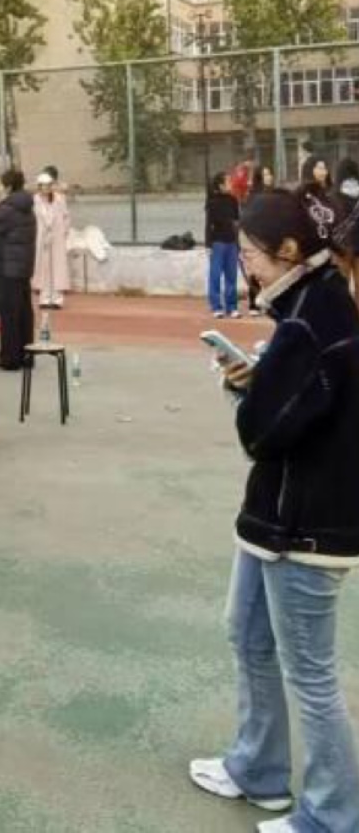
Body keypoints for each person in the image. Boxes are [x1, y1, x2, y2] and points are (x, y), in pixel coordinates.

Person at [188, 187, 359, 830]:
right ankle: (257, 768)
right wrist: (259, 382)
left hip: (306, 526)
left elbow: (262, 433)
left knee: (310, 674)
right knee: (248, 634)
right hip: (280, 516)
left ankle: (332, 814)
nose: (246, 266)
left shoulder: (314, 320)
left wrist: (248, 392)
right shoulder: (313, 309)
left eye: (251, 253)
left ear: (290, 250)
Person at [0, 169, 38, 369]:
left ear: (8, 187)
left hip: (8, 267)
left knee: (9, 314)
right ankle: (27, 354)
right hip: (24, 267)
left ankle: (9, 358)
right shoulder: (28, 208)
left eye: (1, 185)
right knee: (24, 312)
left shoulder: (7, 210)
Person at [33, 171, 71, 310]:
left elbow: (66, 217)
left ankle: (57, 299)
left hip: (56, 239)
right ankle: (44, 298)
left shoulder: (59, 199)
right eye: (43, 185)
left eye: (48, 185)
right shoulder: (35, 200)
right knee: (43, 267)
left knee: (57, 267)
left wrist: (62, 232)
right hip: (41, 239)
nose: (45, 188)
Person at [208, 174, 243, 319]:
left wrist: (239, 242)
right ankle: (216, 307)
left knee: (231, 276)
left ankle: (232, 307)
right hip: (218, 243)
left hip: (232, 243)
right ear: (220, 185)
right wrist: (208, 245)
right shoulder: (212, 202)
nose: (231, 183)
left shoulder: (233, 200)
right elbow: (208, 225)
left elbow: (237, 222)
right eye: (228, 181)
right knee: (215, 275)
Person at [247, 165, 277, 315]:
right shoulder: (253, 196)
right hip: (257, 238)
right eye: (265, 174)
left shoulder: (274, 194)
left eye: (270, 174)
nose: (269, 177)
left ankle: (271, 301)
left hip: (272, 236)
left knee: (272, 271)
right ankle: (253, 303)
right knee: (256, 271)